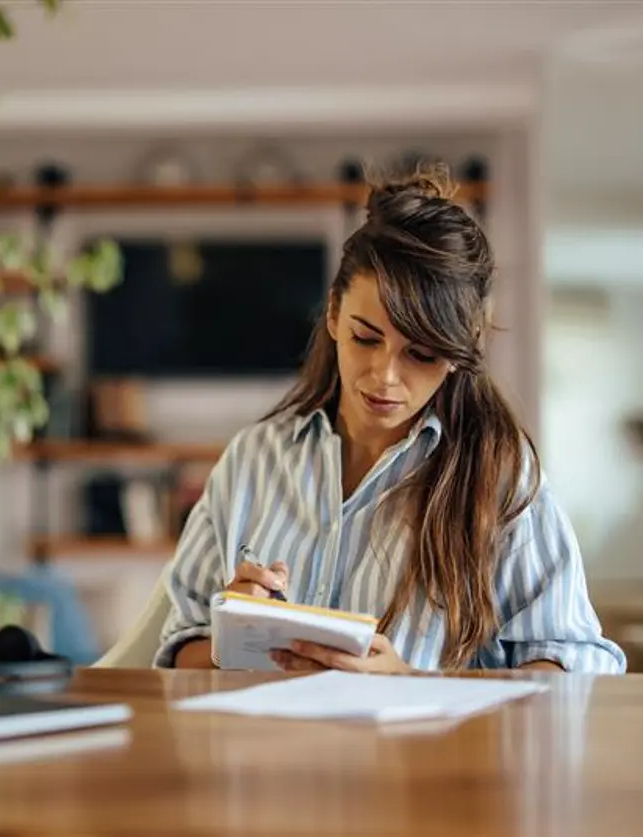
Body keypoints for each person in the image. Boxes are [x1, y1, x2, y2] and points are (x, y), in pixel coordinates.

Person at [153, 170, 626, 675]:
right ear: (334, 313)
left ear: (456, 354)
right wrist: (235, 638)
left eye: (421, 354)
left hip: (425, 757)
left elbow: (572, 672)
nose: (385, 376)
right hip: (263, 751)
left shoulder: (501, 479)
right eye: (365, 338)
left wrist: (413, 687)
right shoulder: (252, 460)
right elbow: (179, 645)